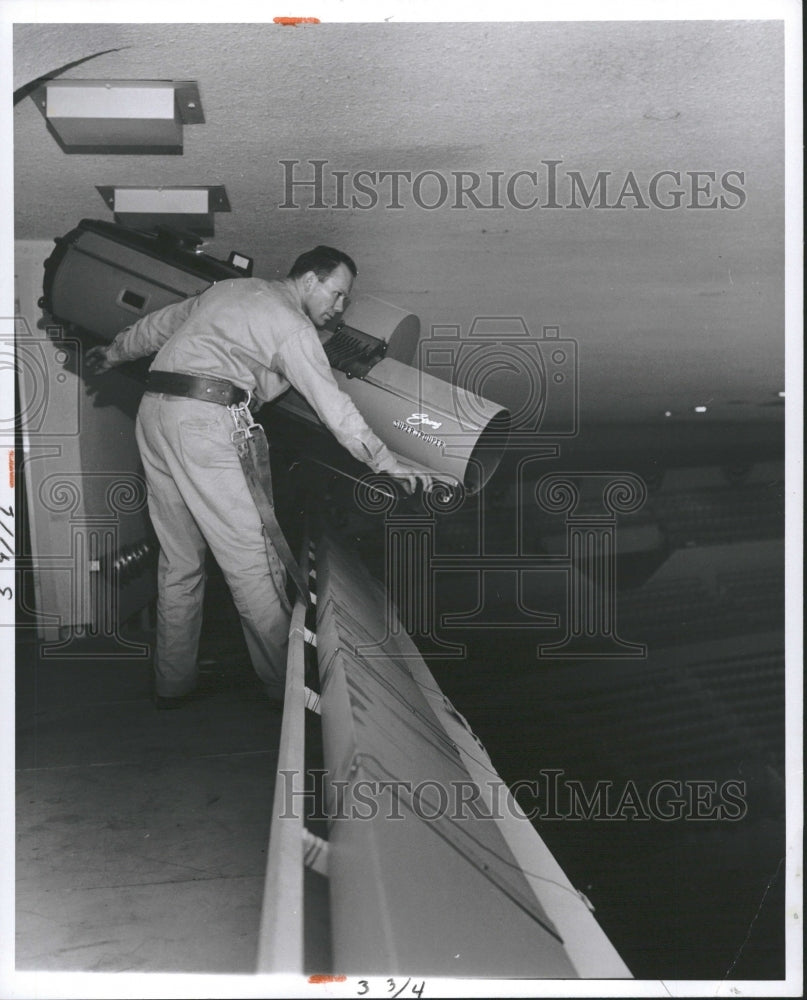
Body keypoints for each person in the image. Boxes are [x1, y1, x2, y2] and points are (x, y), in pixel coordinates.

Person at [85, 245, 434, 708]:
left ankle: (173, 683)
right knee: (251, 562)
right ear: (308, 280)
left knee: (179, 562)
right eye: (337, 293)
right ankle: (288, 694)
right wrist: (387, 462)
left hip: (155, 416)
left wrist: (112, 352)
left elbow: (159, 326)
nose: (339, 307)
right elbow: (335, 409)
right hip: (205, 423)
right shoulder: (292, 326)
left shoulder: (230, 290)